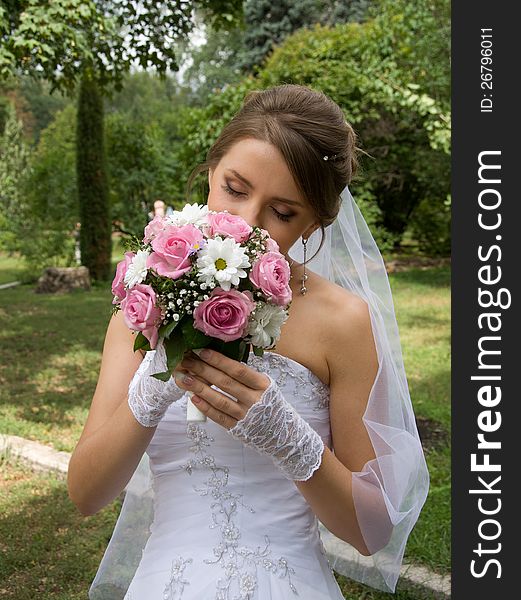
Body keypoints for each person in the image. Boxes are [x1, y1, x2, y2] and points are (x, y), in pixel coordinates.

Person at [69, 84, 429, 599]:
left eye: (282, 213)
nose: (245, 222)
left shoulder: (343, 322)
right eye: (235, 188)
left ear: (316, 222)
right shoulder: (145, 299)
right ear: (212, 170)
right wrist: (150, 392)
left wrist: (290, 438)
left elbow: (371, 532)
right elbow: (85, 494)